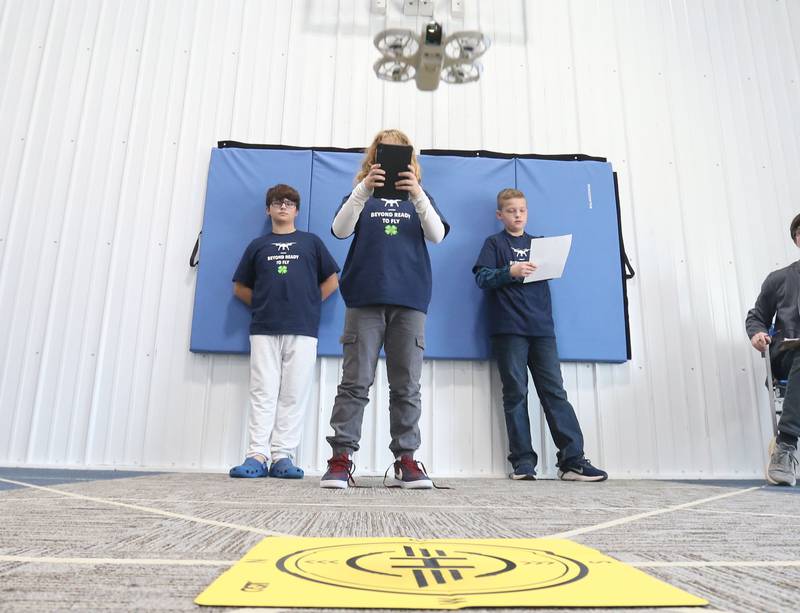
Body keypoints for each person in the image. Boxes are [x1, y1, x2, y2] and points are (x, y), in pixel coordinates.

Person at [320, 129, 450, 489]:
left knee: (406, 385)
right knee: (354, 382)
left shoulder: (420, 198)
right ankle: (341, 459)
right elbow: (339, 230)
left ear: (410, 160)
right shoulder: (359, 196)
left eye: (398, 154)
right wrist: (364, 189)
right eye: (384, 153)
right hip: (364, 298)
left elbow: (437, 235)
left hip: (410, 300)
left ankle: (406, 460)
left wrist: (417, 194)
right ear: (373, 158)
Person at [472, 188, 608, 482]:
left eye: (522, 210)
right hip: (509, 329)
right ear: (500, 215)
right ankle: (522, 463)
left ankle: (572, 461)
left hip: (542, 329)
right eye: (511, 210)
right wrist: (510, 271)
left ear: (527, 212)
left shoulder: (541, 244)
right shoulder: (494, 243)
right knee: (516, 394)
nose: (517, 215)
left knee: (555, 393)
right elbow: (481, 277)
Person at [229, 183, 339, 479]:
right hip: (264, 328)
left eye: (289, 202)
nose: (283, 206)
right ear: (268, 209)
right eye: (277, 202)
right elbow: (239, 287)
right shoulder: (257, 246)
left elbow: (332, 281)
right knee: (262, 391)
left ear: (296, 210)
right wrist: (264, 305)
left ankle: (282, 456)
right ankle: (257, 455)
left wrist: (308, 304)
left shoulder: (311, 243)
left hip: (303, 328)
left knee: (294, 392)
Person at [746, 213, 800, 487]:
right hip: (788, 355)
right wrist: (757, 333)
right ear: (797, 239)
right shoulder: (779, 279)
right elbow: (757, 316)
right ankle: (785, 446)